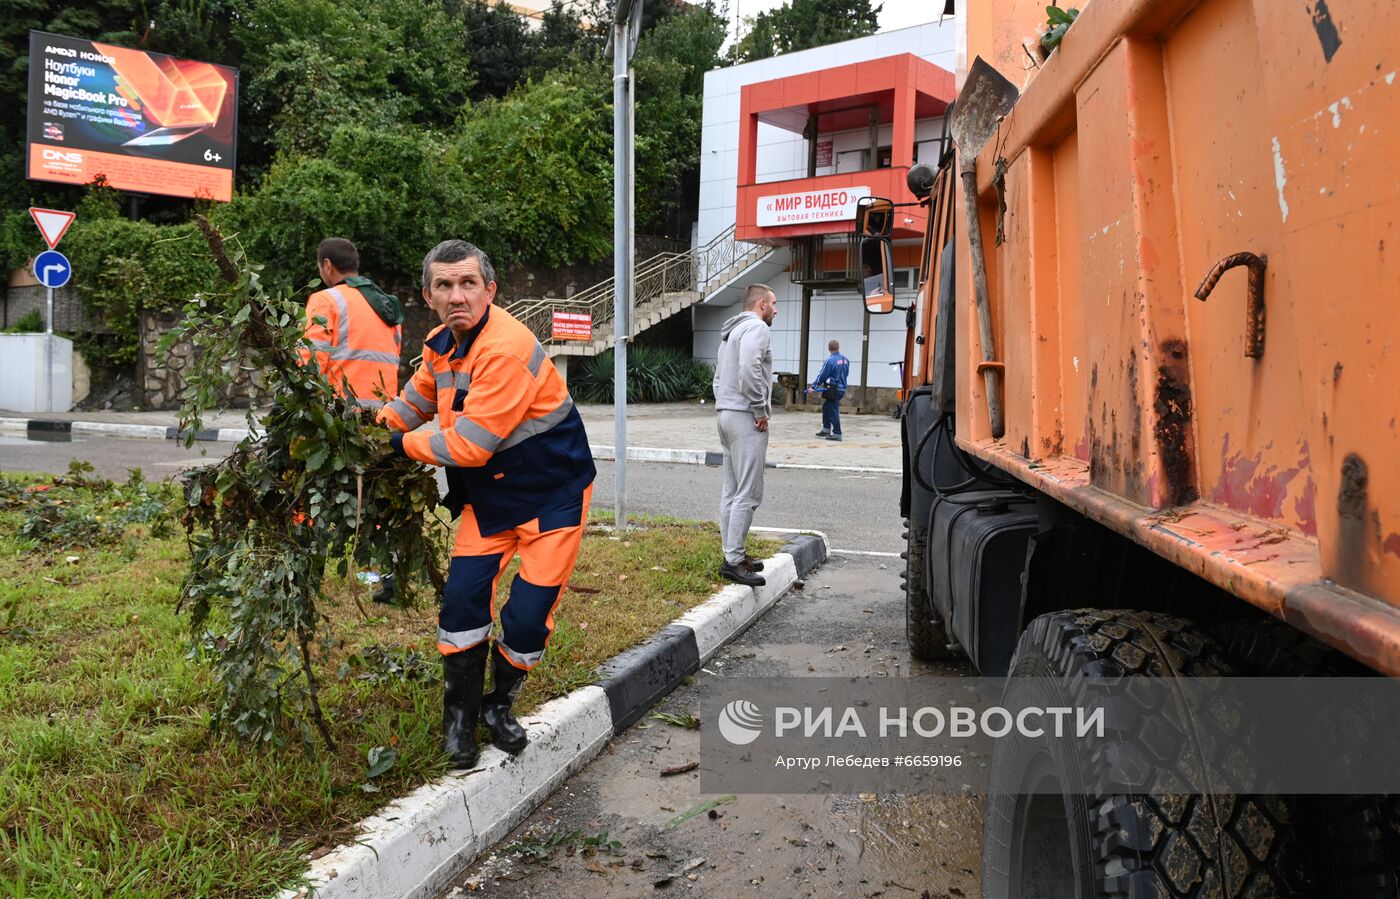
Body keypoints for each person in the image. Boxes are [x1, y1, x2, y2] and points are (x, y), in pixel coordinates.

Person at [379, 239, 596, 769]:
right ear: (428, 295)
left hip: (553, 500)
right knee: (461, 605)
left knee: (526, 618)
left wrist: (399, 446)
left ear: (490, 290)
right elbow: (416, 401)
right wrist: (370, 431)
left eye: (468, 283)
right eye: (445, 285)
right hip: (490, 501)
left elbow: (471, 445)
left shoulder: (504, 347)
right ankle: (460, 717)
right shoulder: (440, 345)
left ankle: (498, 705)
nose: (458, 296)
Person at [300, 238, 406, 603]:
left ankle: (302, 572)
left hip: (337, 418)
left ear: (327, 266)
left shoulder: (327, 300)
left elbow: (309, 362)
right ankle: (388, 579)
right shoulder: (386, 304)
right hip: (382, 420)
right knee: (378, 499)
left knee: (310, 492)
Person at [713, 283, 777, 588]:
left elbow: (717, 378)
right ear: (762, 303)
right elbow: (749, 368)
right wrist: (759, 409)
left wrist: (726, 403)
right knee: (749, 492)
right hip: (745, 418)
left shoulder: (730, 332)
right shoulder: (757, 328)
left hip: (725, 415)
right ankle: (733, 561)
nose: (776, 310)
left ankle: (732, 553)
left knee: (732, 490)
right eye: (774, 304)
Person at [806, 339, 850, 441]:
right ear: (838, 347)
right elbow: (846, 374)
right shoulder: (846, 360)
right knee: (826, 406)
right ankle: (826, 429)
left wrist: (813, 387)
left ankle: (837, 433)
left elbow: (822, 375)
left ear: (829, 349)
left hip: (833, 389)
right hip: (842, 388)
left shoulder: (830, 360)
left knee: (833, 410)